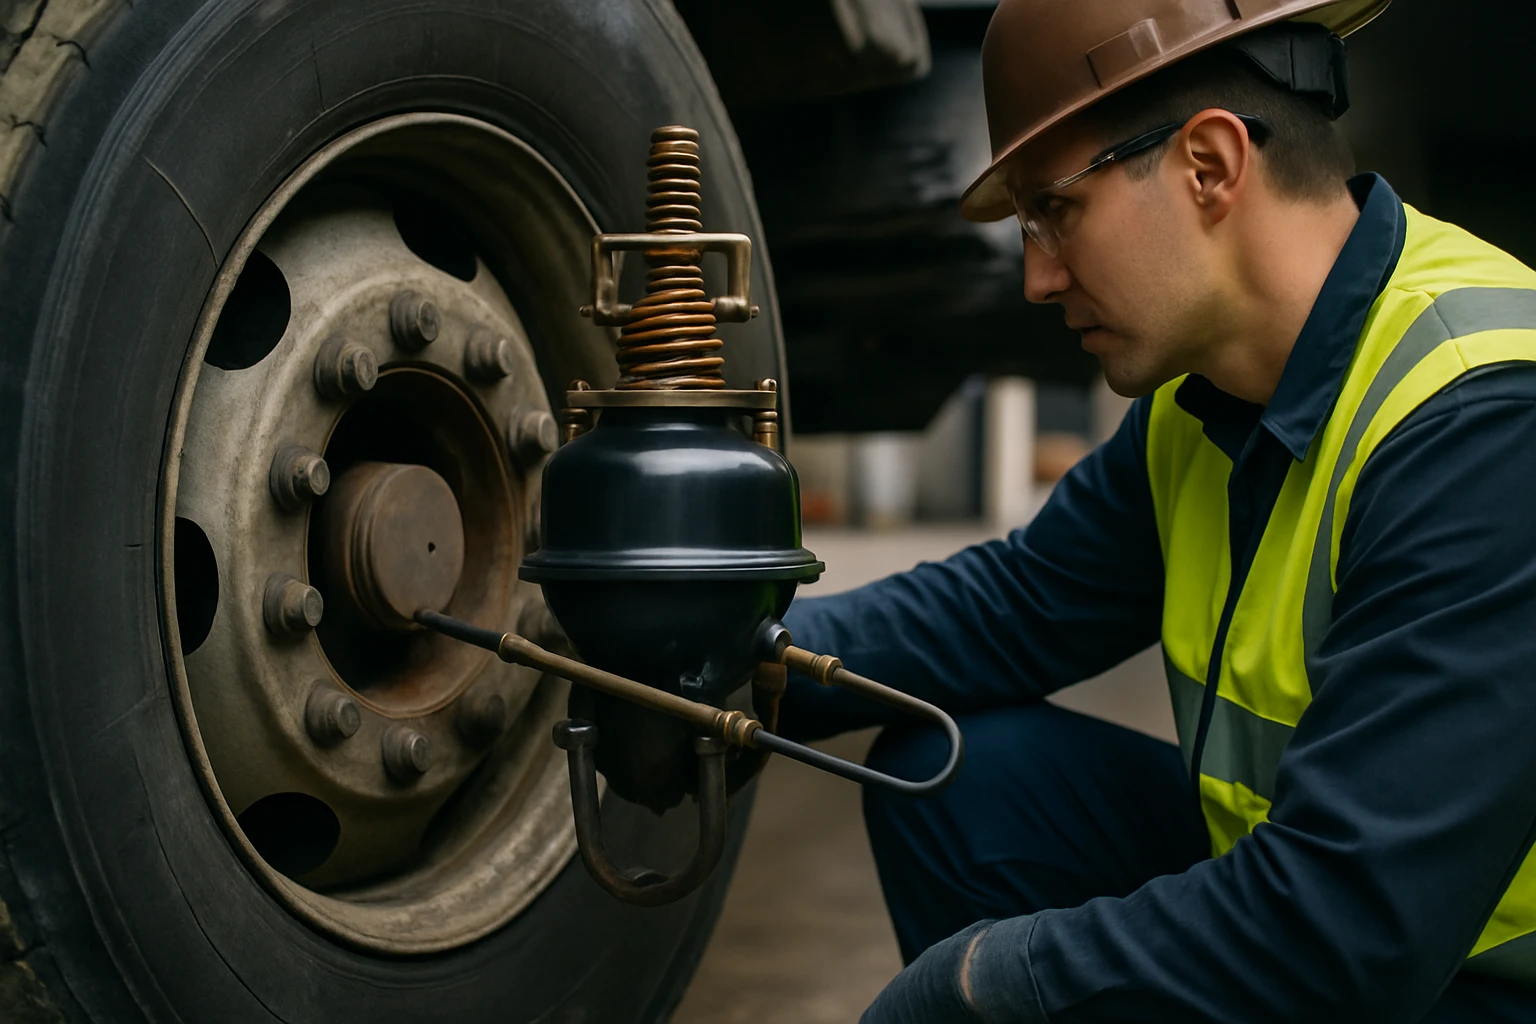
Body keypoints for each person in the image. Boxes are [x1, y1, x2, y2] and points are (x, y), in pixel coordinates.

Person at [776, 0, 1536, 1020]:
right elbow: (1015, 604)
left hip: (1461, 976)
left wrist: (985, 981)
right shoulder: (1207, 401)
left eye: (1055, 210)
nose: (1039, 277)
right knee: (965, 777)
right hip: (1352, 925)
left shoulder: (1479, 420)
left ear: (1210, 166)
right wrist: (749, 649)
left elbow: (1351, 925)